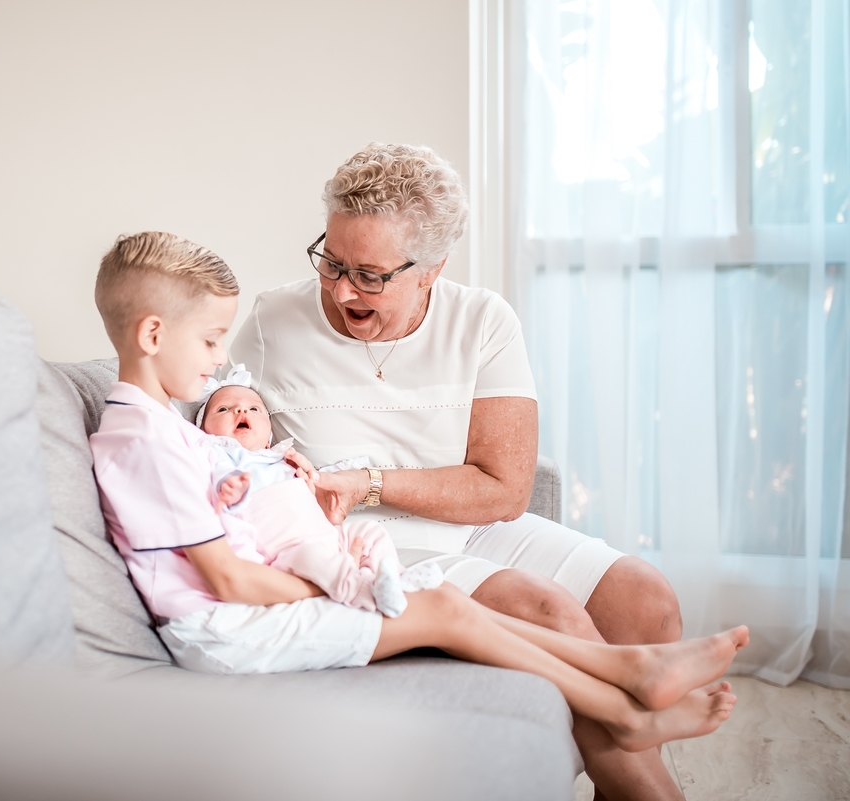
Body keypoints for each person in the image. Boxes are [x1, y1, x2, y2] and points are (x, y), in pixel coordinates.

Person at [88, 229, 746, 757]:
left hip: (248, 609)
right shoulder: (143, 441)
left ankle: (631, 677)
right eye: (207, 340)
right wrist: (335, 583)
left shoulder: (169, 429)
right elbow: (229, 578)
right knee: (445, 611)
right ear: (152, 335)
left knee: (448, 604)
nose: (217, 360)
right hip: (228, 633)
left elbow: (227, 516)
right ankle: (625, 702)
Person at [228, 142, 694, 800]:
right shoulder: (277, 320)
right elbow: (216, 421)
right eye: (331, 261)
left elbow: (504, 489)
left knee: (648, 601)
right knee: (548, 610)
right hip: (361, 542)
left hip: (468, 525)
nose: (339, 289)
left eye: (370, 274)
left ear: (433, 268)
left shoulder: (482, 321)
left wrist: (374, 480)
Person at [196, 376, 441, 617]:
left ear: (269, 437)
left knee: (369, 532)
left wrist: (308, 475)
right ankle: (362, 590)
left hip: (329, 536)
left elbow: (317, 487)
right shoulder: (219, 454)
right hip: (289, 552)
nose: (240, 410)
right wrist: (228, 488)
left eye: (254, 408)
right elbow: (214, 474)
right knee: (313, 558)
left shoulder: (283, 457)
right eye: (224, 409)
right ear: (204, 430)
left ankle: (397, 578)